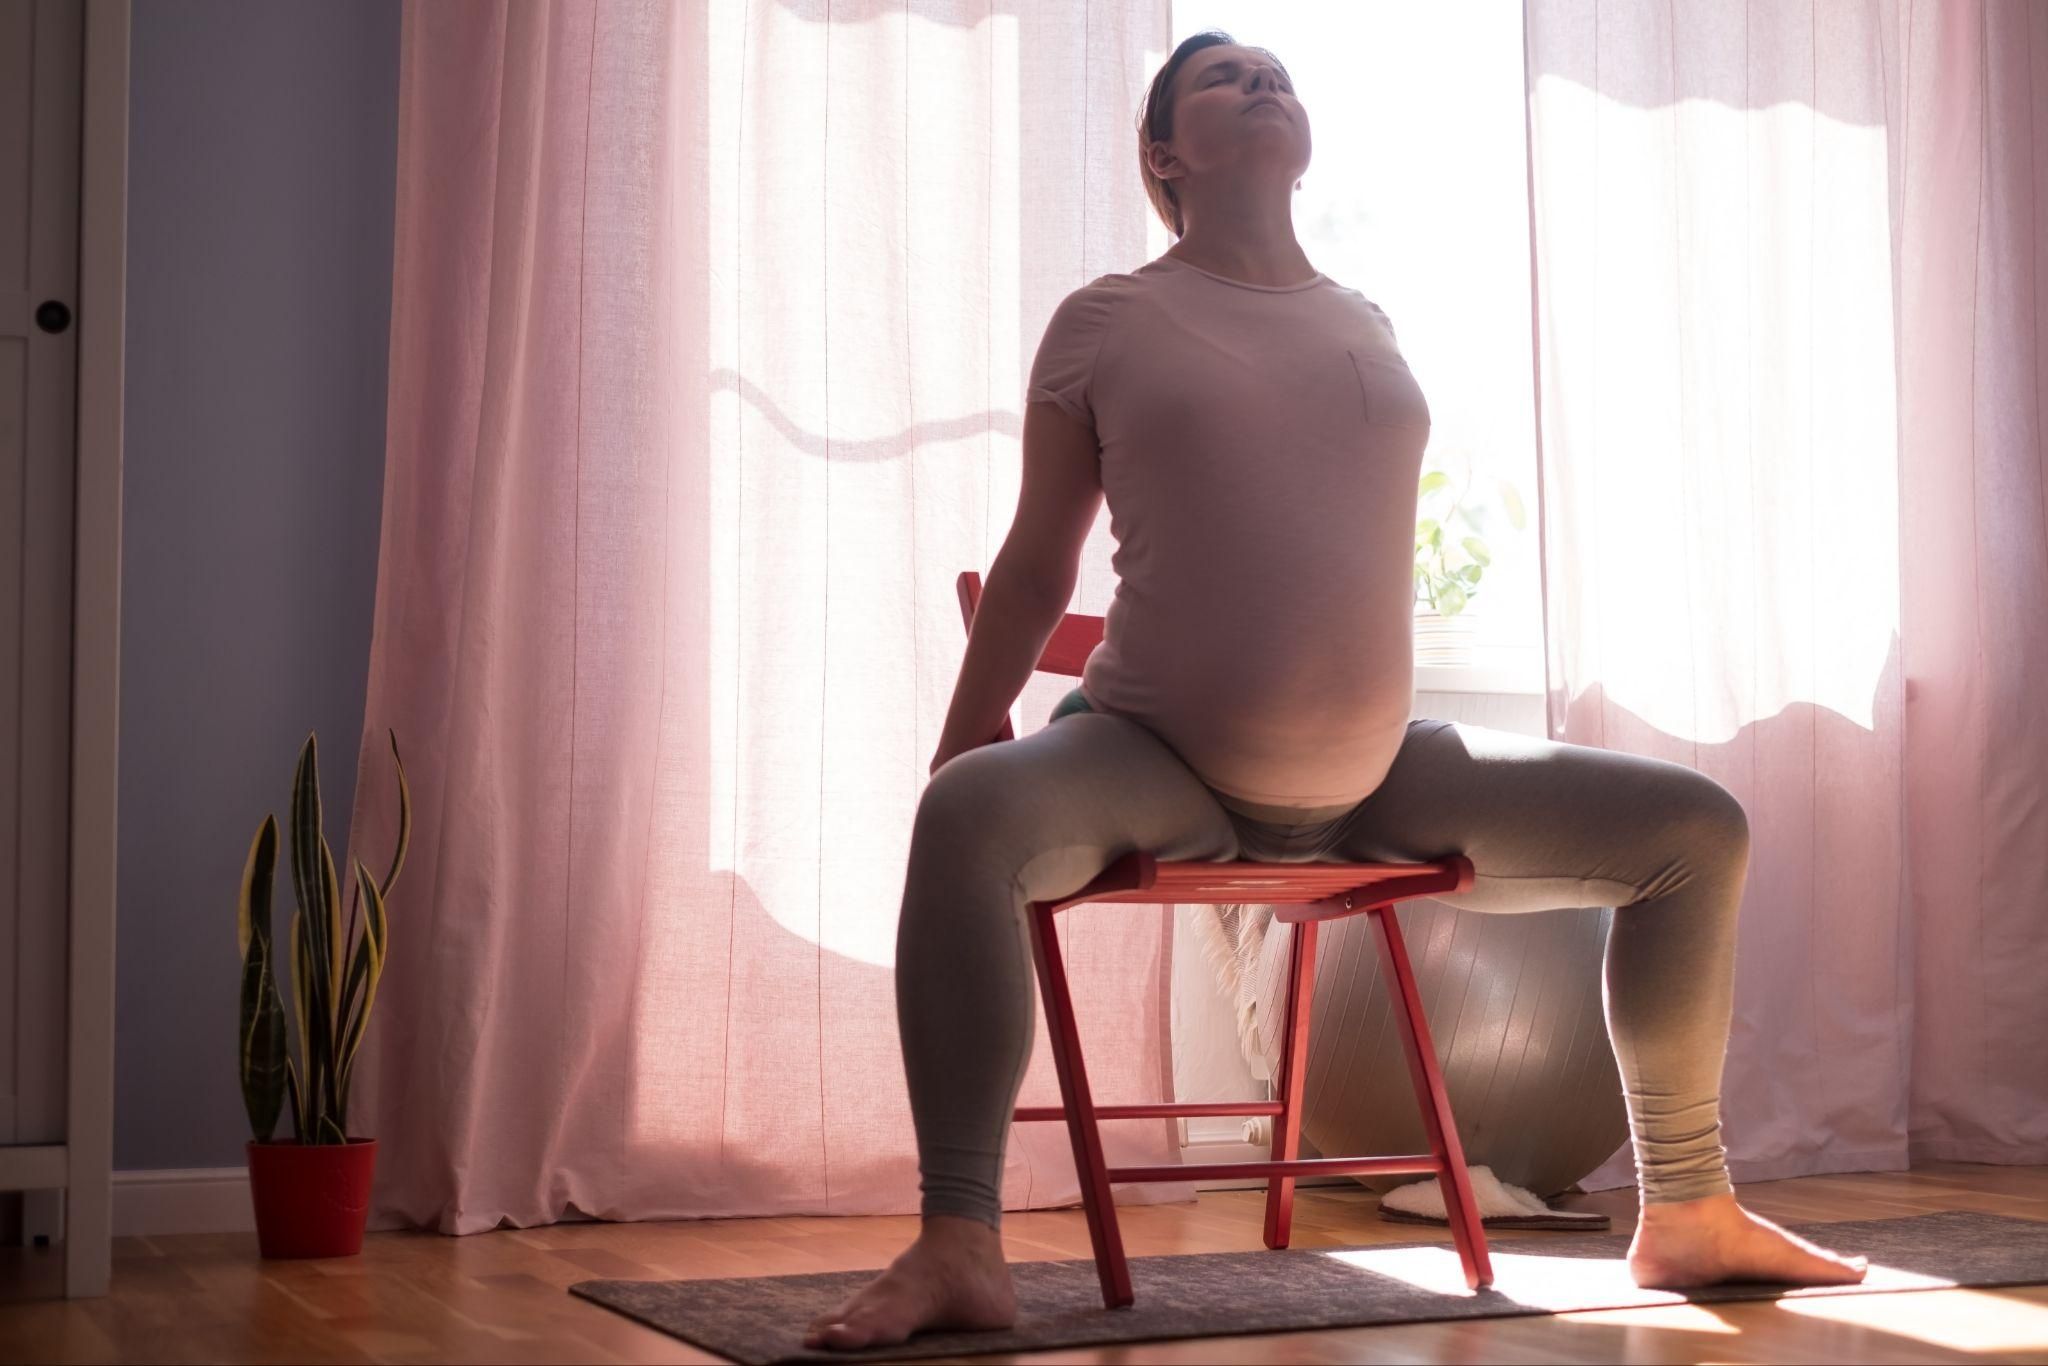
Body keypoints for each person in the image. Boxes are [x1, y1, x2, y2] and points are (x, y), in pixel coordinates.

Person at [803, 30, 1867, 1352]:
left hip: (1378, 769)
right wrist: (968, 737)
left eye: (1275, 71)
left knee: (1697, 830)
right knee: (966, 816)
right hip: (1157, 757)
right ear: (1164, 154)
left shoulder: (1363, 315)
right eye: (1219, 77)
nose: (1261, 80)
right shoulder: (1109, 319)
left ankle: (1691, 1209)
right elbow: (1034, 565)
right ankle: (959, 1238)